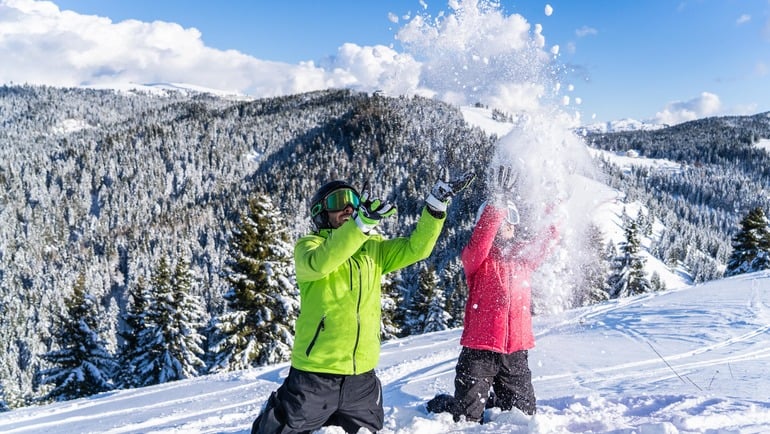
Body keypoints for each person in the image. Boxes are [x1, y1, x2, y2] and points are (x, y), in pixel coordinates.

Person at [252, 172, 475, 434]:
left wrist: (436, 206)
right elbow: (323, 261)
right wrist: (360, 225)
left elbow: (417, 248)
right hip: (315, 375)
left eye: (354, 201)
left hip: (361, 377)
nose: (348, 206)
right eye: (338, 201)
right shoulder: (309, 247)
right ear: (320, 213)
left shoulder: (373, 249)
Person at [427, 165, 559, 423]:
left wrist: (555, 205)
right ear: (486, 222)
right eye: (501, 218)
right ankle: (444, 404)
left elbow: (548, 239)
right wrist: (497, 205)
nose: (506, 224)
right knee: (466, 418)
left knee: (524, 418)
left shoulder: (523, 257)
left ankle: (496, 396)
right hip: (479, 351)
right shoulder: (477, 259)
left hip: (516, 352)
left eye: (511, 219)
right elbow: (481, 242)